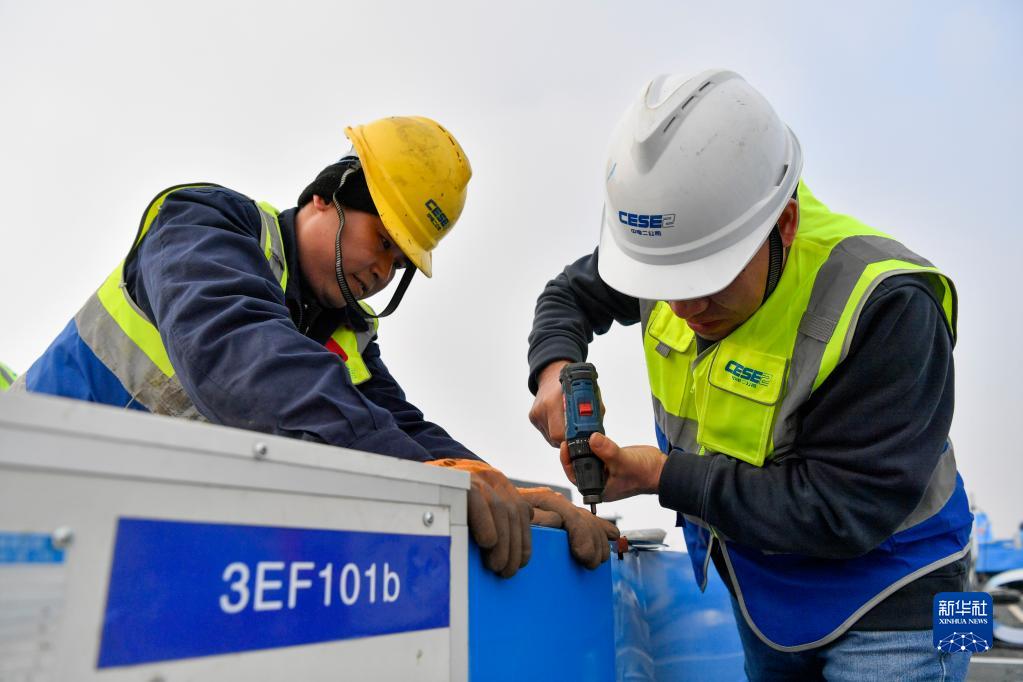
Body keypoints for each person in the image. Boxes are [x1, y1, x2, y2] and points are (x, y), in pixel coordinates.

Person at [12, 116, 617, 577]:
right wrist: (424, 476)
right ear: (326, 196)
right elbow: (241, 356)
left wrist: (502, 487)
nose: (383, 271)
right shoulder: (202, 224)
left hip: (121, 552)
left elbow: (399, 427)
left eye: (400, 262)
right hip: (26, 502)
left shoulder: (343, 336)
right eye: (383, 240)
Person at [527, 70, 972, 680]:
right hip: (766, 595)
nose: (681, 306)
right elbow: (569, 295)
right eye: (662, 282)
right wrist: (553, 368)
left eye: (707, 280)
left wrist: (661, 475)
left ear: (783, 225)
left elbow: (844, 509)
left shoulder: (891, 305)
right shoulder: (673, 252)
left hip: (911, 598)